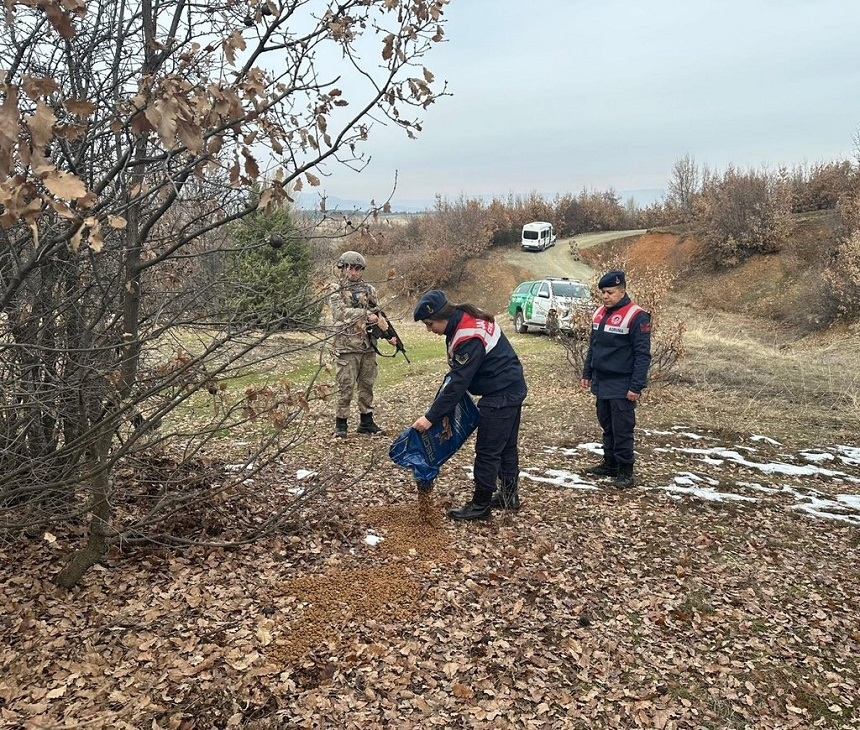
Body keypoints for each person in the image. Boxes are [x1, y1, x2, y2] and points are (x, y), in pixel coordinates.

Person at [411, 290, 528, 521]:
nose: (429, 329)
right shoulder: (463, 319)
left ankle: (481, 505)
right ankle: (508, 496)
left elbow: (458, 383)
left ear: (441, 317)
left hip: (501, 393)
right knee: (506, 446)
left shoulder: (468, 335)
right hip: (510, 386)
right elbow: (458, 376)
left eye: (429, 324)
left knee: (488, 450)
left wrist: (430, 417)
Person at [581, 270, 652, 489]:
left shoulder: (637, 316)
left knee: (622, 428)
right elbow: (594, 346)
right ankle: (609, 463)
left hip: (623, 383)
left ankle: (625, 471)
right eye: (603, 292)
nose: (605, 296)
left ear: (622, 291)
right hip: (602, 381)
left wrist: (636, 386)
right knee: (607, 425)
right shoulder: (600, 314)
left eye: (610, 292)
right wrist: (587, 373)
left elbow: (642, 355)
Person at [329, 250, 391, 437]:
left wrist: (388, 334)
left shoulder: (369, 290)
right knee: (345, 387)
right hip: (346, 346)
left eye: (358, 268)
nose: (354, 272)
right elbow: (339, 313)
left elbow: (377, 314)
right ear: (342, 268)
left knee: (367, 385)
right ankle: (341, 424)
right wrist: (365, 314)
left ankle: (366, 421)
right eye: (350, 268)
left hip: (367, 346)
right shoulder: (336, 288)